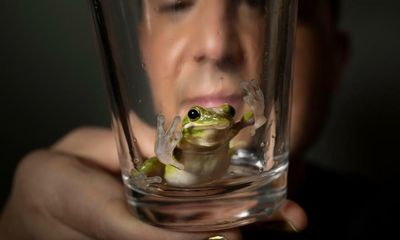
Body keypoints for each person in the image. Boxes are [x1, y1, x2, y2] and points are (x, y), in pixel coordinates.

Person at [0, 0, 364, 239]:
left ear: (336, 59)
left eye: (261, 3)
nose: (215, 46)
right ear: (143, 48)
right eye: (175, 2)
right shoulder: (145, 176)